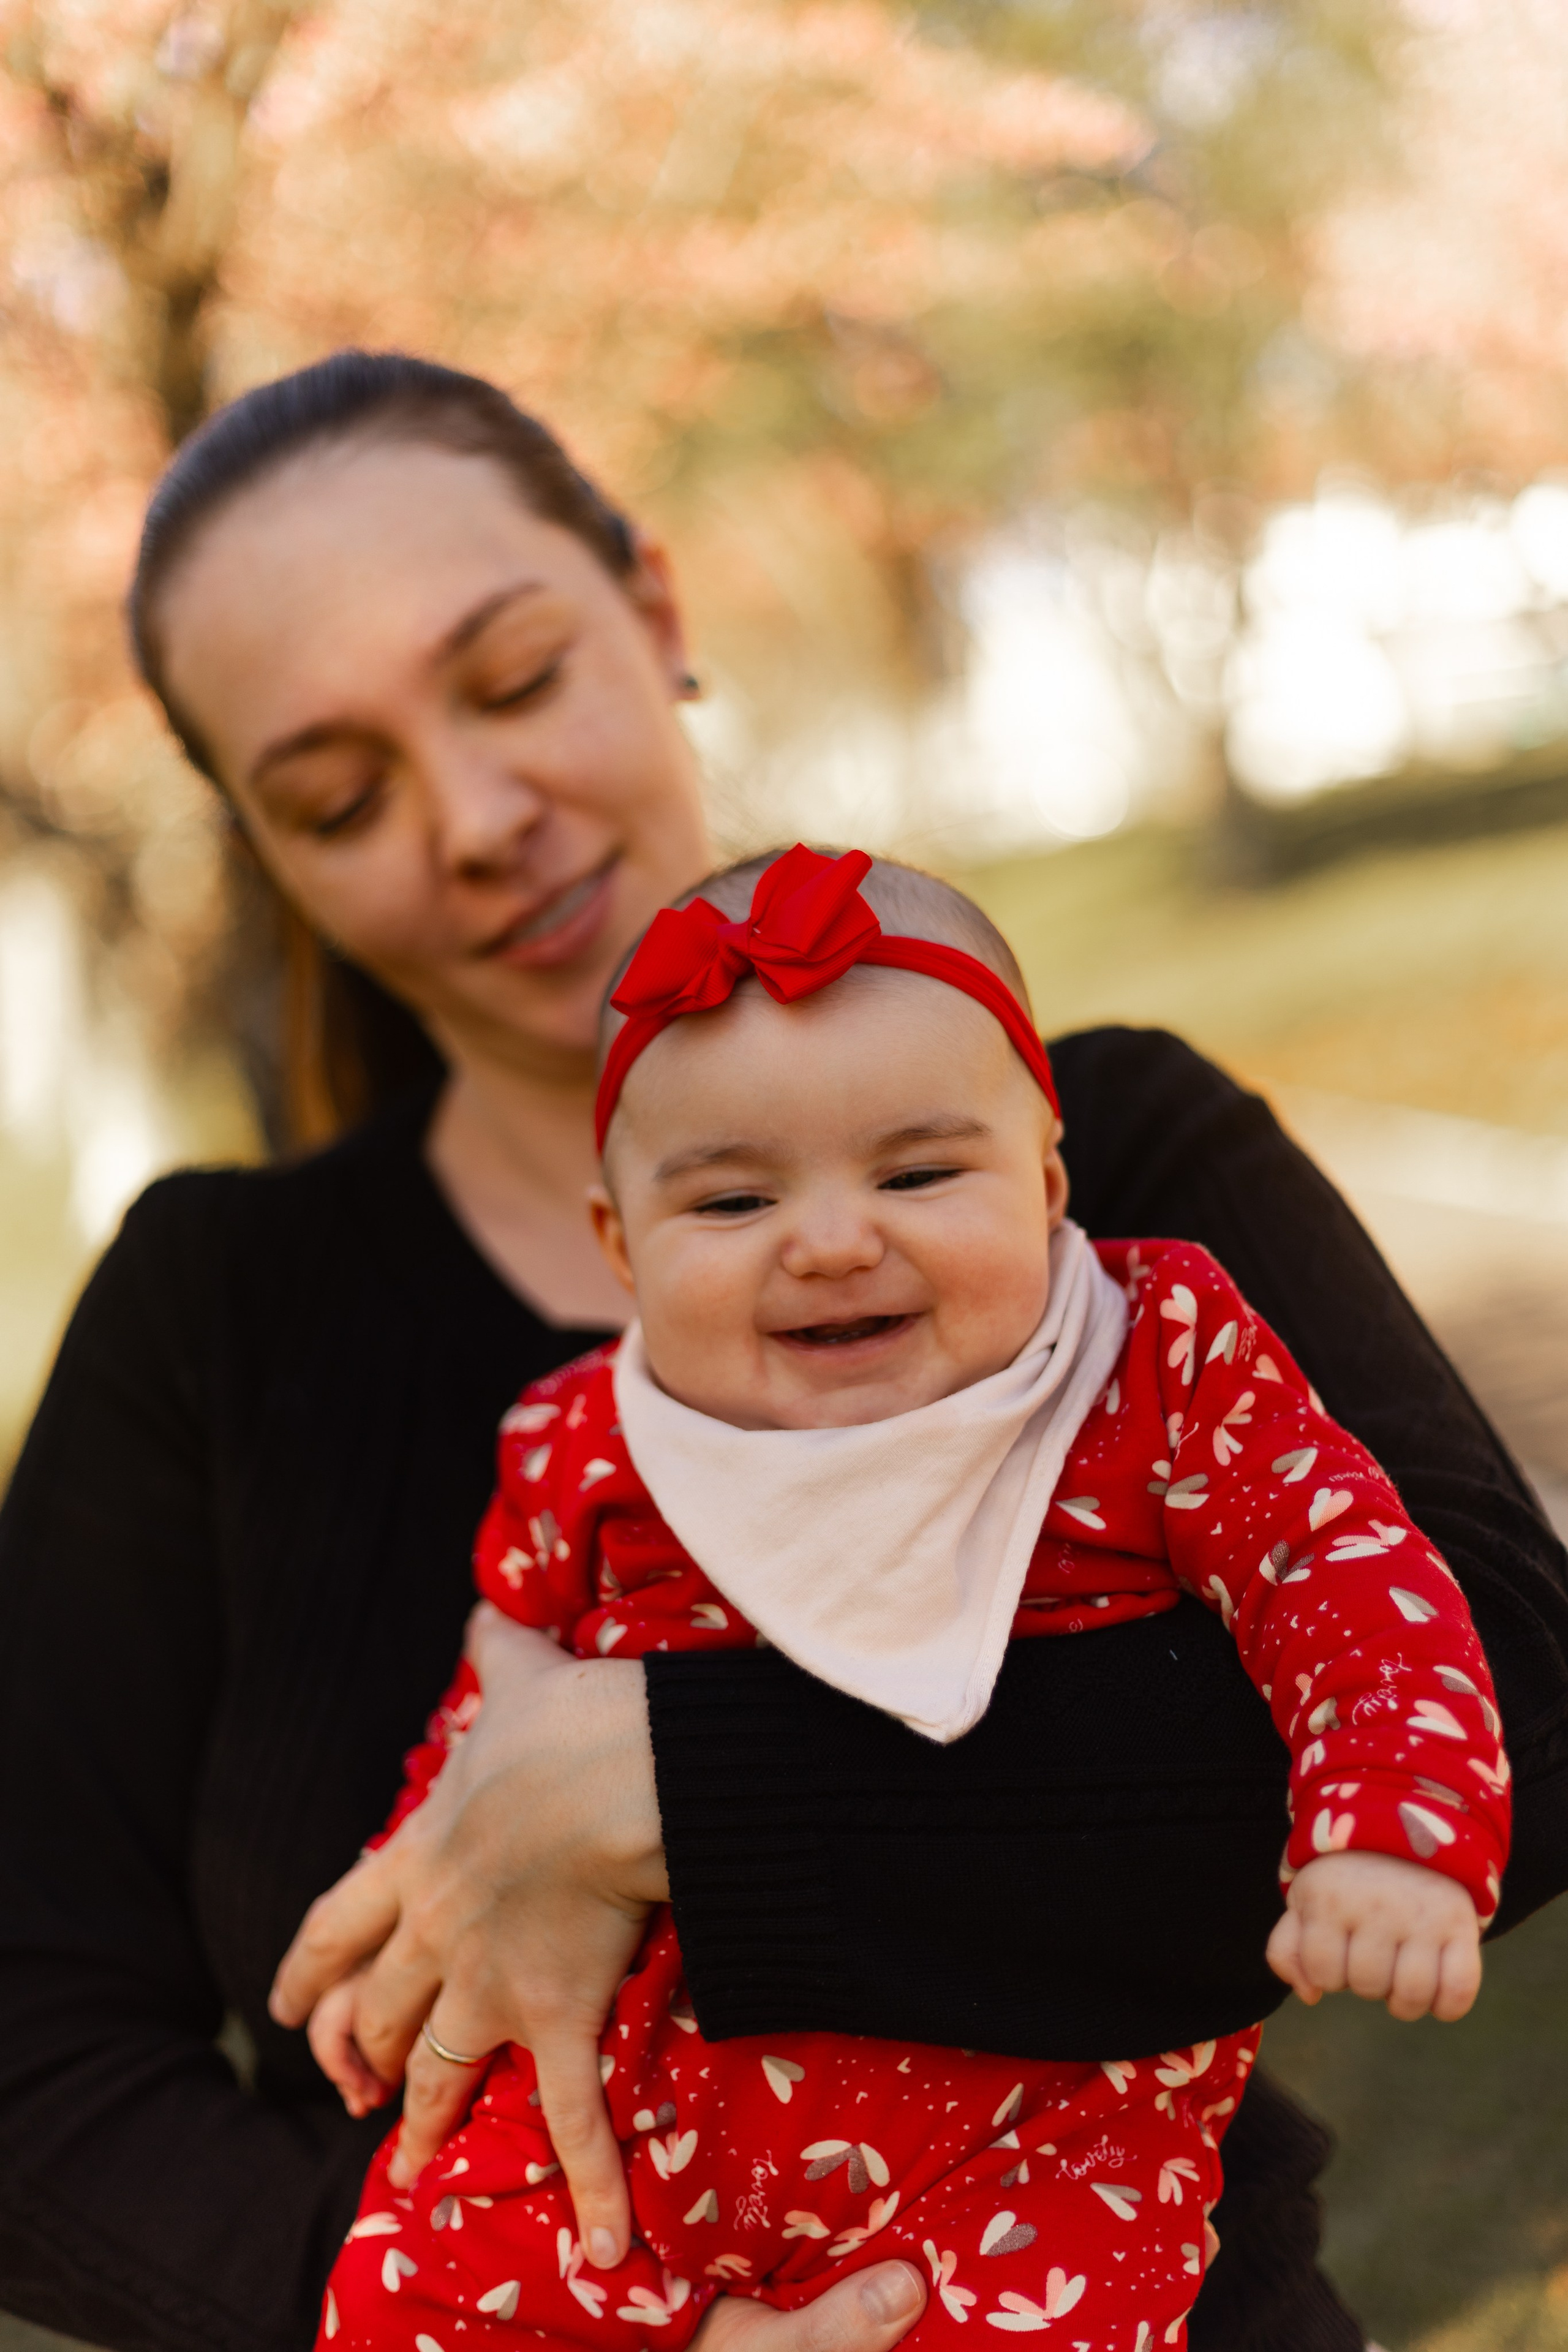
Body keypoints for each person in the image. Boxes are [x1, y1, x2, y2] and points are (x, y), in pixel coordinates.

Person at [0, 352, 1564, 2352]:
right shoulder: (226, 1314)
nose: (476, 818)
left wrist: (666, 1790)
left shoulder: (1123, 1217)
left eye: (510, 678)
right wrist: (529, 2320)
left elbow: (1514, 1684)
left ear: (653, 614)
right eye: (337, 793)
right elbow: (33, 2062)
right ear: (262, 847)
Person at [309, 846, 1507, 2352]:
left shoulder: (1150, 1371)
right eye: (733, 1200)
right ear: (620, 1251)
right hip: (617, 2118)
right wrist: (401, 1936)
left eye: (919, 1173)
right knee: (412, 2294)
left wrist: (1388, 1825)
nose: (828, 1239)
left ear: (1048, 1184)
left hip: (1028, 2111)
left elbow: (1339, 1576)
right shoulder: (583, 1444)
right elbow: (499, 1723)